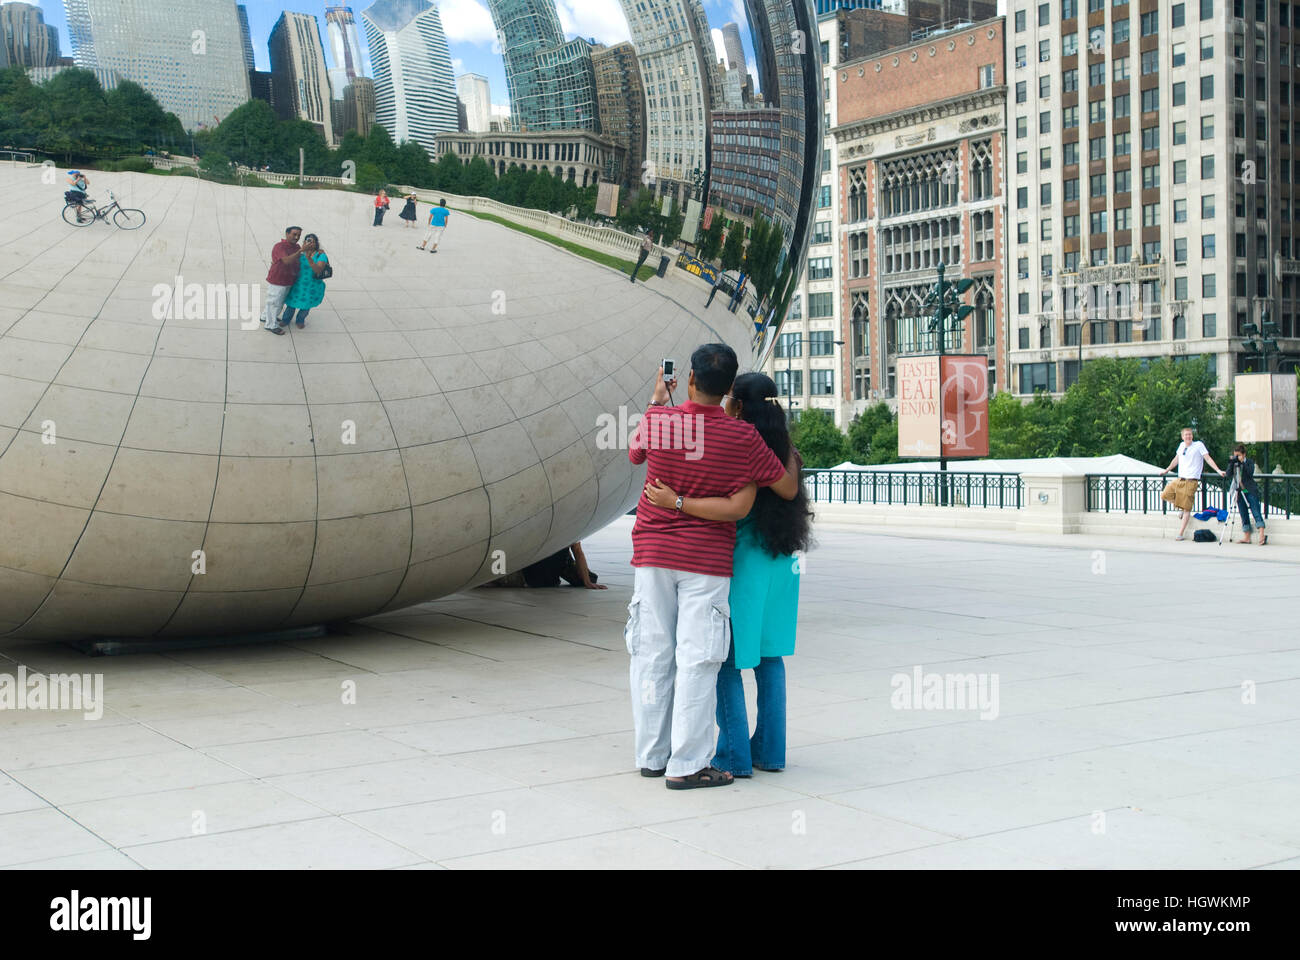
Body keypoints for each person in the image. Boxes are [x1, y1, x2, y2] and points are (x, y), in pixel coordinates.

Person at [625, 345, 801, 789]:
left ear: (689, 378)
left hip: (652, 555)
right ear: (728, 391)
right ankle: (687, 765)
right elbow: (780, 486)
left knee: (653, 654)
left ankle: (652, 755)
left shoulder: (659, 422)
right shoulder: (745, 440)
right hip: (706, 563)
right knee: (699, 660)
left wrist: (655, 403)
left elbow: (634, 452)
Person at [1159, 426, 1225, 540]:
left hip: (1191, 480)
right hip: (1180, 479)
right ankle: (1180, 507)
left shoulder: (1198, 445)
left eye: (1190, 434)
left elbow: (1207, 458)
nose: (1188, 436)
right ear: (1182, 436)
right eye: (1186, 435)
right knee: (1165, 494)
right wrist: (1167, 470)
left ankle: (1180, 533)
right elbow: (1176, 459)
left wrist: (1218, 470)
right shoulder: (1181, 446)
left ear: (1192, 436)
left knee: (1187, 509)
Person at [278, 233, 329, 329]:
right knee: (291, 304)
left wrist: (309, 258)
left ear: (316, 243)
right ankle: (286, 319)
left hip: (312, 286)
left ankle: (300, 320)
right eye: (307, 241)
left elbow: (318, 270)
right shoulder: (299, 253)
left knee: (306, 305)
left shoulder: (320, 255)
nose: (309, 243)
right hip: (297, 285)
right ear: (304, 242)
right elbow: (287, 262)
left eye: (312, 242)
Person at [261, 226, 303, 336]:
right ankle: (270, 325)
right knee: (274, 302)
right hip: (278, 280)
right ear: (287, 234)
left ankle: (265, 317)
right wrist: (300, 251)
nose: (296, 237)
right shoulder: (279, 246)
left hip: (288, 280)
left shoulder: (297, 247)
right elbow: (286, 261)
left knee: (278, 302)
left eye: (299, 235)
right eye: (294, 234)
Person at [1227, 444, 1268, 545]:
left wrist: (1242, 463)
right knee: (1243, 512)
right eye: (1236, 455)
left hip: (1249, 490)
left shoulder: (1249, 462)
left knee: (1255, 510)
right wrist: (1232, 463)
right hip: (1239, 491)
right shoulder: (1234, 463)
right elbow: (1228, 474)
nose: (1237, 457)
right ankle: (1247, 537)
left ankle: (1262, 534)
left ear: (1244, 455)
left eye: (1239, 455)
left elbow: (1250, 473)